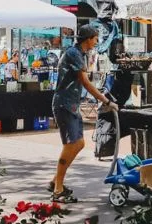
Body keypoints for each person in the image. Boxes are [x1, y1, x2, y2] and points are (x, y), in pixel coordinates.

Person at [49, 24, 118, 203]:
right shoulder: (74, 54)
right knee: (73, 144)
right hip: (65, 104)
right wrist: (106, 101)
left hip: (70, 104)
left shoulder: (79, 54)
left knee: (77, 143)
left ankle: (56, 180)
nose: (97, 41)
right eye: (95, 38)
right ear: (88, 39)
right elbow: (86, 83)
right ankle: (57, 190)